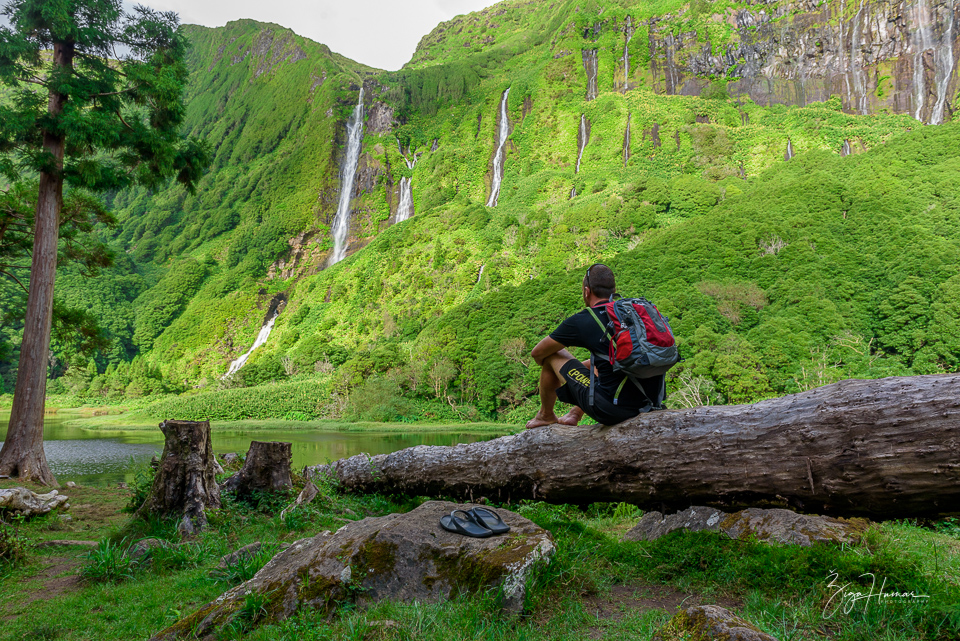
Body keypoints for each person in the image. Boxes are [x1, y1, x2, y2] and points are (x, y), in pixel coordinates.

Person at [526, 264, 665, 428]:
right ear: (613, 291)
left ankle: (545, 415)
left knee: (552, 355)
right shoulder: (632, 313)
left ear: (587, 291)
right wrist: (583, 366)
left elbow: (537, 353)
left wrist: (559, 371)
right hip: (650, 403)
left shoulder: (584, 319)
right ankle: (575, 413)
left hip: (612, 410)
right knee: (602, 360)